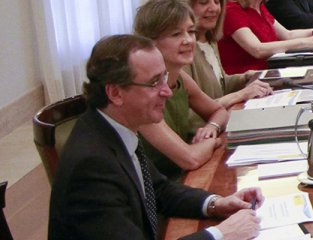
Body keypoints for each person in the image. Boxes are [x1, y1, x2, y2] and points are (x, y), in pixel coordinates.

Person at [49, 34, 262, 240]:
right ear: (115, 93)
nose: (167, 92)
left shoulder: (115, 128)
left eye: (164, 78)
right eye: (154, 83)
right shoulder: (92, 165)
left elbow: (159, 189)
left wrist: (216, 203)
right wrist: (221, 234)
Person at [132, 0, 229, 177]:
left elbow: (219, 111)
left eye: (191, 31)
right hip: (158, 192)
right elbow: (190, 158)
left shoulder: (180, 77)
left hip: (181, 180)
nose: (188, 41)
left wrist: (212, 128)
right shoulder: (141, 92)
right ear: (150, 42)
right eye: (176, 34)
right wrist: (213, 142)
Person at [172, 0, 274, 112]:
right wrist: (241, 94)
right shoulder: (183, 49)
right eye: (204, 2)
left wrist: (244, 77)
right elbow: (190, 114)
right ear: (185, 5)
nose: (213, 8)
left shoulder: (210, 41)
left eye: (217, 1)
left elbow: (219, 85)